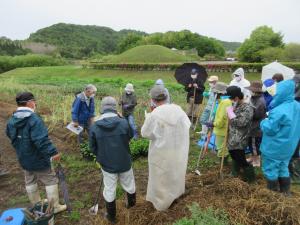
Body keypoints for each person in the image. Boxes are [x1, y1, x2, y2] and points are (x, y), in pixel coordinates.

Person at [6, 92, 66, 213]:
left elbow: (9, 134)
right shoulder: (33, 119)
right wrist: (53, 153)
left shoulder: (12, 119)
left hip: (23, 156)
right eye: (34, 101)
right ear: (29, 103)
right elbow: (42, 140)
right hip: (38, 157)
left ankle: (36, 204)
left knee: (30, 179)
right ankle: (54, 207)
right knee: (50, 179)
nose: (35, 103)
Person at [141, 85, 190, 211]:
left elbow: (145, 133)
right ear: (167, 96)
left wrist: (148, 119)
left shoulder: (154, 115)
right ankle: (176, 194)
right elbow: (187, 126)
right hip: (178, 149)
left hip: (161, 152)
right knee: (176, 171)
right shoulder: (179, 110)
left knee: (161, 176)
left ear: (153, 99)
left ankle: (161, 203)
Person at [89, 97, 136, 224]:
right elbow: (131, 136)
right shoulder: (123, 122)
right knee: (129, 185)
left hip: (107, 164)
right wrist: (121, 119)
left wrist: (100, 157)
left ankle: (111, 217)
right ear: (115, 108)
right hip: (124, 161)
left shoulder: (95, 126)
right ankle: (132, 209)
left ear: (102, 108)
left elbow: (92, 148)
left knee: (109, 189)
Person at [260, 80, 300, 194]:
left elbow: (270, 129)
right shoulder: (297, 106)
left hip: (274, 147)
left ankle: (273, 194)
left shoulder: (278, 110)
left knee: (271, 169)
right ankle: (285, 193)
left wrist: (263, 122)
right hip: (289, 147)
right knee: (283, 167)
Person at [226, 86, 255, 183]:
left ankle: (251, 179)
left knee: (240, 159)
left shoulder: (247, 108)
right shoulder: (236, 105)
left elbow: (242, 122)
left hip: (240, 138)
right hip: (232, 137)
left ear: (237, 98)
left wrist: (230, 114)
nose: (230, 100)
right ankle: (236, 173)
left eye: (231, 98)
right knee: (234, 156)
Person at [208, 82, 231, 164]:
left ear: (218, 93)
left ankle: (223, 163)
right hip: (225, 128)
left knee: (221, 147)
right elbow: (231, 115)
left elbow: (222, 118)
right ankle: (223, 162)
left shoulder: (224, 102)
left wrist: (214, 124)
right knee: (223, 146)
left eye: (214, 92)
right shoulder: (226, 101)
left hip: (222, 129)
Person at [245, 81, 267, 167]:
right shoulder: (253, 98)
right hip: (251, 127)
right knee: (251, 144)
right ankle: (252, 157)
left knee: (255, 145)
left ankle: (257, 160)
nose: (250, 91)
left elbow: (257, 115)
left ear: (255, 91)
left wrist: (248, 111)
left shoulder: (260, 102)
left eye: (251, 90)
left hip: (256, 128)